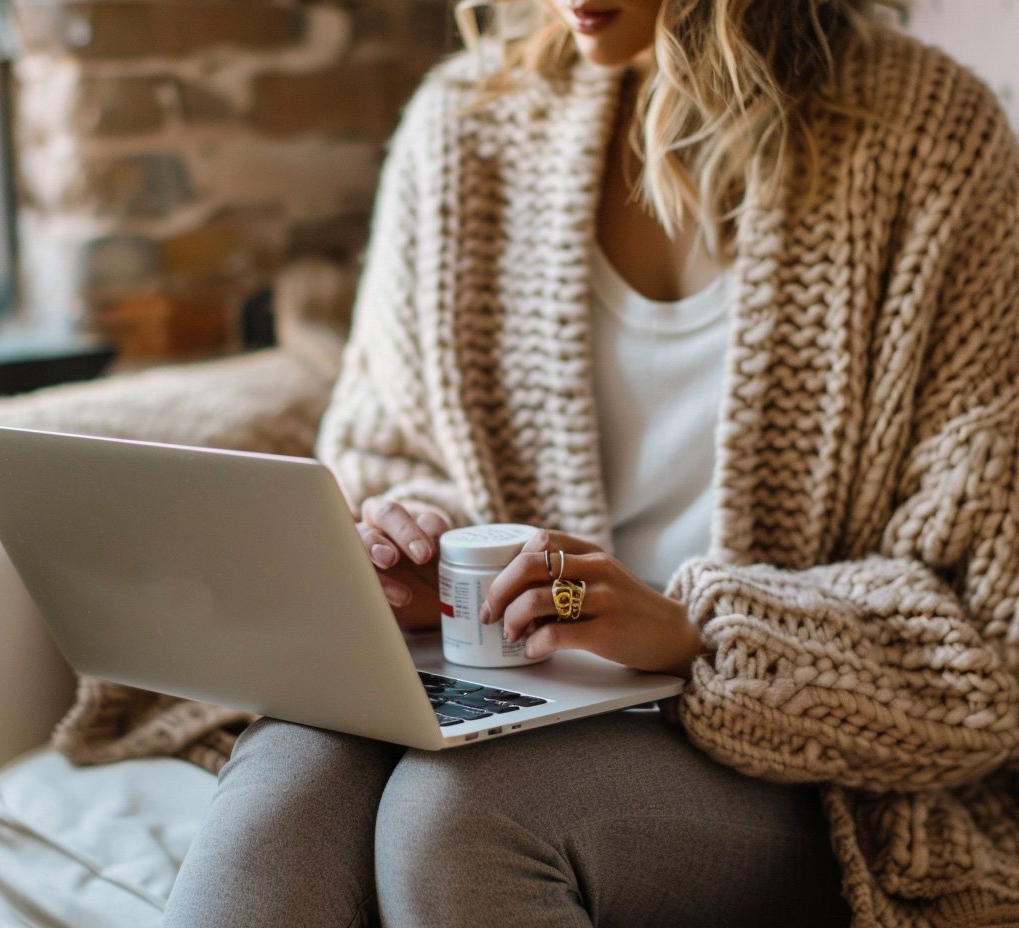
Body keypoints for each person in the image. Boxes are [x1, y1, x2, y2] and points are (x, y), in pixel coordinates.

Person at [164, 1, 1019, 925]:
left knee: (462, 817)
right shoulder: (463, 126)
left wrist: (698, 633)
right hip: (505, 696)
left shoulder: (931, 139)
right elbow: (388, 448)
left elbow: (989, 638)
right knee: (292, 773)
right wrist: (422, 549)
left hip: (816, 765)